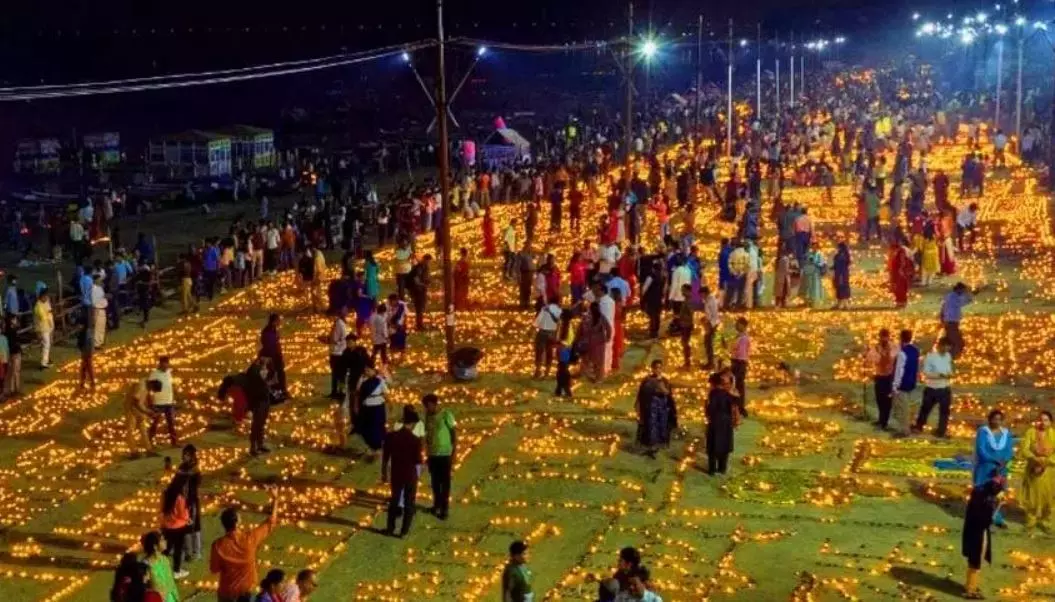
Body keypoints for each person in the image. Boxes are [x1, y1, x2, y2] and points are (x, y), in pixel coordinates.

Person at [210, 490, 279, 602]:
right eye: (239, 517)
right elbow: (270, 523)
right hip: (245, 591)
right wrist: (275, 499)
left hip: (226, 592)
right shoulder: (249, 539)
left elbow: (214, 569)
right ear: (237, 523)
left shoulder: (218, 545)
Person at [382, 405, 424, 537]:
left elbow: (385, 456)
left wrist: (384, 472)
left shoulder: (391, 437)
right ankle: (404, 531)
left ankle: (390, 528)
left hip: (396, 473)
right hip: (410, 474)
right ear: (411, 424)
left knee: (394, 500)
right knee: (409, 503)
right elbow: (418, 460)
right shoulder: (415, 440)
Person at [962, 476, 1005, 600]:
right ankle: (971, 590)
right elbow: (987, 520)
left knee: (972, 562)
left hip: (971, 532)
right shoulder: (984, 502)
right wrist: (998, 506)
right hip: (978, 535)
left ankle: (969, 585)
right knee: (976, 563)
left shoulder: (978, 495)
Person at [972, 409, 1013, 527]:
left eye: (999, 419)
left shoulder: (1006, 434)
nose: (997, 422)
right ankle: (980, 516)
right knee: (982, 492)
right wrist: (993, 460)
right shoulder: (983, 432)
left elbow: (1009, 451)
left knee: (998, 493)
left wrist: (1004, 462)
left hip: (1001, 468)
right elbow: (981, 449)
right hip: (986, 467)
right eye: (994, 419)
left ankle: (996, 517)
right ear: (989, 419)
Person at [1020, 410, 1055, 531]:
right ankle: (1031, 522)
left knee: (1049, 497)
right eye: (1040, 419)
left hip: (1049, 471)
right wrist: (1035, 459)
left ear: (1050, 422)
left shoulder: (1054, 434)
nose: (1042, 422)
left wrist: (1047, 461)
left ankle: (1046, 522)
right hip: (1033, 469)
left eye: (1046, 420)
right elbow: (1024, 449)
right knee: (1032, 497)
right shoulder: (1031, 432)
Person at [635, 359, 677, 458]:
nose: (658, 370)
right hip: (650, 408)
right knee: (650, 427)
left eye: (659, 368)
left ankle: (658, 445)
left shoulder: (665, 381)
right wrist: (639, 407)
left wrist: (664, 390)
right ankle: (650, 447)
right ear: (652, 368)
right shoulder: (647, 380)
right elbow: (641, 394)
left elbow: (669, 394)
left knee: (661, 427)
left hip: (662, 409)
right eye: (656, 368)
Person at [706, 370, 745, 475]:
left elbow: (710, 408)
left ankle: (712, 469)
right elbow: (736, 401)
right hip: (726, 422)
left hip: (715, 422)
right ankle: (722, 468)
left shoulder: (712, 394)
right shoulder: (728, 394)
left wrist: (709, 415)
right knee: (724, 446)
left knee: (713, 446)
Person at [423, 394, 456, 520]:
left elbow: (453, 433)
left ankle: (445, 508)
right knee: (435, 482)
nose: (427, 408)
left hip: (445, 454)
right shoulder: (428, 417)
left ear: (435, 404)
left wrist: (454, 452)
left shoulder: (446, 414)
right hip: (433, 454)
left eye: (429, 405)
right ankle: (436, 504)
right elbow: (428, 434)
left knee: (445, 483)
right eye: (425, 406)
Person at [913, 337, 954, 438]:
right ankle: (919, 427)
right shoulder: (930, 357)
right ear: (940, 346)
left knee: (944, 411)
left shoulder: (948, 356)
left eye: (948, 348)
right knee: (925, 409)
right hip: (932, 388)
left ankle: (941, 431)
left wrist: (949, 374)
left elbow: (949, 369)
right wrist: (940, 375)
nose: (947, 350)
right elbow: (926, 373)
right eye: (945, 347)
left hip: (945, 387)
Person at [159, 474, 192, 579]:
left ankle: (159, 569)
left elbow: (161, 509)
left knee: (166, 549)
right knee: (178, 549)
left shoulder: (165, 494)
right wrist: (188, 519)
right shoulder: (179, 498)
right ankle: (176, 571)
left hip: (166, 526)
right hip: (178, 527)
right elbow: (182, 514)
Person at [865, 329, 898, 431]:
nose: (884, 338)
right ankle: (881, 419)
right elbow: (870, 359)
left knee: (887, 401)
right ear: (879, 337)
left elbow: (895, 358)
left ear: (888, 337)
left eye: (886, 336)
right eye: (882, 336)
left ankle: (884, 422)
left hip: (889, 377)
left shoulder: (894, 347)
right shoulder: (875, 348)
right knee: (879, 399)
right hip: (879, 376)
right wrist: (866, 354)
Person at [891, 329, 921, 437]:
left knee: (902, 408)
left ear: (901, 339)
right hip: (911, 382)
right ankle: (906, 427)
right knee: (907, 406)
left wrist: (895, 385)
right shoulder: (915, 350)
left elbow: (899, 370)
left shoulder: (902, 353)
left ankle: (904, 430)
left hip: (902, 384)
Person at [356, 366, 389, 458]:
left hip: (378, 407)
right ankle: (371, 445)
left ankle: (377, 447)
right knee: (367, 427)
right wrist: (356, 406)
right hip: (367, 407)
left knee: (377, 427)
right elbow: (358, 394)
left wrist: (389, 404)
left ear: (374, 371)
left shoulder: (379, 380)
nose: (367, 372)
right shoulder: (362, 380)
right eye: (365, 370)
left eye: (369, 370)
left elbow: (385, 393)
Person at [178, 445, 203, 563]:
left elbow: (197, 483)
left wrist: (188, 474)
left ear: (192, 456)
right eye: (184, 454)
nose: (184, 456)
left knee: (195, 526)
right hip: (182, 501)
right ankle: (187, 551)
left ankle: (196, 552)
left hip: (192, 501)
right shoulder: (182, 467)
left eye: (187, 454)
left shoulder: (195, 469)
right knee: (185, 526)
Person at [125, 378, 162, 457]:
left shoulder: (146, 384)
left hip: (139, 410)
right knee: (130, 431)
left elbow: (145, 397)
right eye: (153, 389)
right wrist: (147, 412)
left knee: (143, 430)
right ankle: (134, 452)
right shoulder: (141, 386)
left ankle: (149, 450)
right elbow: (135, 402)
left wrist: (151, 408)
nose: (151, 391)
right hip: (131, 409)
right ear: (152, 385)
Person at [245, 356, 272, 456]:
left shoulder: (263, 367)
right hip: (258, 400)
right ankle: (253, 447)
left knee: (261, 423)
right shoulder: (254, 370)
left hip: (264, 398)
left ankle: (260, 444)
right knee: (257, 423)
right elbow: (261, 378)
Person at [148, 356, 179, 447]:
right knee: (155, 423)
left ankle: (174, 442)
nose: (166, 366)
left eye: (167, 364)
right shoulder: (154, 374)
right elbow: (149, 389)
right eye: (164, 364)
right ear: (160, 364)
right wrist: (151, 403)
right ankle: (149, 441)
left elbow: (170, 384)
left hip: (169, 402)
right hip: (158, 403)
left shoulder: (169, 372)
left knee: (171, 423)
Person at [141, 531, 180, 602]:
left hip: (172, 597)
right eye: (162, 540)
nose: (165, 541)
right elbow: (143, 587)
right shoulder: (146, 564)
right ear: (155, 546)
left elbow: (171, 581)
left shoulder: (165, 559)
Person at [940, 282, 974, 358]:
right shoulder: (954, 298)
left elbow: (943, 307)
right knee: (957, 341)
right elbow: (966, 301)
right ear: (959, 290)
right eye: (963, 290)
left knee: (953, 340)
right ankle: (952, 356)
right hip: (951, 321)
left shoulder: (951, 296)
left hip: (949, 321)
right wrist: (969, 294)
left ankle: (950, 355)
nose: (963, 292)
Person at [259, 313, 288, 397]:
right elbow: (269, 345)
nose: (279, 322)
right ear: (273, 321)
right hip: (270, 357)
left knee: (280, 374)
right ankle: (276, 394)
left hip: (275, 356)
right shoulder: (267, 332)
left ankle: (282, 392)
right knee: (271, 377)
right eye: (278, 320)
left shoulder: (273, 330)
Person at [533, 295, 562, 379]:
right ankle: (546, 373)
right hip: (552, 333)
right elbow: (559, 324)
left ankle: (537, 371)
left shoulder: (544, 309)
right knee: (549, 353)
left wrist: (532, 330)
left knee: (539, 352)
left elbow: (537, 321)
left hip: (542, 332)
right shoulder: (559, 310)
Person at [325, 308, 349, 400]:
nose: (329, 319)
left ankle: (341, 392)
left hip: (338, 353)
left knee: (340, 374)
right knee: (335, 373)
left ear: (334, 315)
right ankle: (334, 391)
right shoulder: (337, 324)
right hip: (334, 352)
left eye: (329, 317)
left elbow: (343, 338)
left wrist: (332, 341)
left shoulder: (340, 324)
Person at [729, 317, 750, 407]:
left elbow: (740, 354)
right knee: (736, 385)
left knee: (738, 385)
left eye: (738, 324)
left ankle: (739, 405)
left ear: (743, 325)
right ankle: (738, 404)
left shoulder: (743, 338)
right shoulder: (739, 336)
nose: (736, 326)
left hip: (739, 363)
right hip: (738, 362)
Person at [408, 254, 432, 331]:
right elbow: (416, 280)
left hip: (422, 289)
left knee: (421, 308)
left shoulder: (424, 267)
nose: (429, 263)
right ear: (425, 260)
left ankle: (420, 324)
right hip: (418, 290)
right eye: (428, 261)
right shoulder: (419, 267)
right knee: (419, 308)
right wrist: (423, 284)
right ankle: (419, 325)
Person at [675, 284, 694, 369]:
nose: (681, 292)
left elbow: (691, 314)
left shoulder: (689, 301)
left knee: (685, 343)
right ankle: (687, 362)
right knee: (685, 343)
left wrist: (680, 317)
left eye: (683, 290)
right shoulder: (687, 299)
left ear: (688, 291)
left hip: (686, 325)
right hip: (685, 324)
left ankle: (687, 363)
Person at [33, 290, 53, 369]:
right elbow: (43, 317)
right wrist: (48, 313)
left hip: (47, 327)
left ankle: (46, 360)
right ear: (42, 297)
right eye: (46, 297)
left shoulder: (44, 303)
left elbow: (48, 312)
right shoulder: (38, 306)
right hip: (42, 328)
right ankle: (44, 362)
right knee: (46, 345)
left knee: (46, 345)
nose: (47, 298)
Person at [3, 315, 22, 397]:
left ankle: (13, 389)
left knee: (13, 371)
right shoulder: (11, 332)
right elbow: (13, 343)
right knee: (15, 371)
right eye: (14, 319)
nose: (16, 320)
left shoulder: (9, 331)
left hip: (12, 353)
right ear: (11, 321)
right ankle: (14, 390)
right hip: (14, 353)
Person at [832, 242, 851, 310]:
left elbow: (845, 264)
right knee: (839, 288)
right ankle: (840, 304)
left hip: (842, 274)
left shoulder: (843, 255)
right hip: (839, 273)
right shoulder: (839, 255)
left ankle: (845, 304)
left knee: (842, 287)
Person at [78, 321, 96, 390]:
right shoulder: (82, 332)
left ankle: (90, 382)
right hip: (84, 352)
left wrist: (89, 353)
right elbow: (80, 343)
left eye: (80, 325)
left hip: (87, 352)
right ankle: (84, 382)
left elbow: (90, 344)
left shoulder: (87, 333)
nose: (79, 327)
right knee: (84, 368)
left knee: (87, 367)